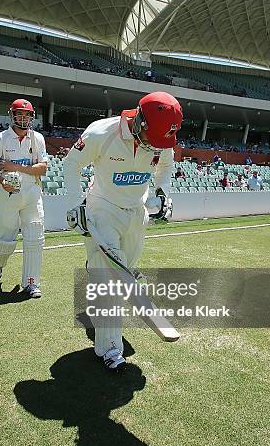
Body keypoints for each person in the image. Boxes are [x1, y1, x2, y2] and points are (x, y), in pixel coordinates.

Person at [63, 91, 182, 371]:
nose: (157, 146)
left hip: (136, 212)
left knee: (123, 269)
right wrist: (74, 205)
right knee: (111, 281)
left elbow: (166, 166)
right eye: (153, 139)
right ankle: (110, 350)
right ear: (140, 121)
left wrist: (163, 193)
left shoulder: (161, 135)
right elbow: (71, 164)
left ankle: (96, 274)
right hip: (102, 208)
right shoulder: (101, 133)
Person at [0, 99, 48, 298]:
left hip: (32, 194)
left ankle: (31, 283)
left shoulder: (37, 139)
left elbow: (43, 168)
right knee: (6, 239)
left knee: (35, 238)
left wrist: (16, 167)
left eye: (27, 115)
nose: (23, 118)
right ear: (12, 115)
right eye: (20, 114)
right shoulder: (1, 139)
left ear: (32, 117)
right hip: (7, 194)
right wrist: (2, 181)